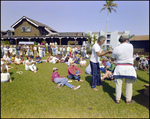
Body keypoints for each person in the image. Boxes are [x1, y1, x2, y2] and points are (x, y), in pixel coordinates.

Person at [111, 34, 137, 104]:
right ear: (126, 40)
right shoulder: (131, 46)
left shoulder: (116, 48)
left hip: (119, 67)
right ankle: (128, 100)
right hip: (129, 67)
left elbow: (112, 58)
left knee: (118, 84)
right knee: (129, 84)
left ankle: (117, 99)